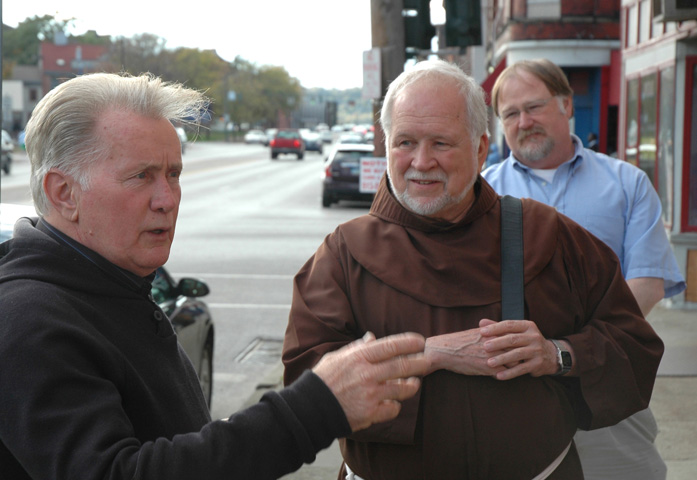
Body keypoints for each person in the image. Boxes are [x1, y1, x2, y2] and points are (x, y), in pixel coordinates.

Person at [0, 73, 431, 480]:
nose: (167, 200)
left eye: (173, 174)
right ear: (64, 193)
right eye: (141, 177)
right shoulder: (29, 321)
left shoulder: (110, 284)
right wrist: (315, 407)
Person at [282, 59, 664, 480]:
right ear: (385, 145)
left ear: (481, 148)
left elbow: (633, 345)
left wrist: (556, 355)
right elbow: (308, 387)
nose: (421, 162)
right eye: (405, 142)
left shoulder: (549, 235)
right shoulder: (343, 253)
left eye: (441, 143)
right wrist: (432, 354)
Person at [482, 58, 686, 480]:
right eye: (511, 113)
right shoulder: (482, 194)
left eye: (535, 107)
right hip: (513, 390)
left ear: (567, 105)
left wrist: (566, 351)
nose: (524, 121)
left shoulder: (628, 185)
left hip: (605, 377)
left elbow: (645, 286)